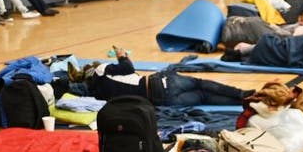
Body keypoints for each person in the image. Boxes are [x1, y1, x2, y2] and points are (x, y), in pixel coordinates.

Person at [85, 47, 251, 106]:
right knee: (201, 83)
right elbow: (128, 67)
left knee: (203, 97)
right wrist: (121, 55)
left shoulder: (97, 96)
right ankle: (241, 94)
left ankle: (243, 103)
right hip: (158, 83)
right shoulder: (101, 70)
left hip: (159, 101)